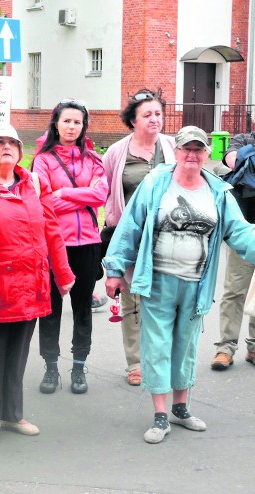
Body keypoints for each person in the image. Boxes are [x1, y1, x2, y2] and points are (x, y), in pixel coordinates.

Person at [103, 126, 255, 444]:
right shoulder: (156, 184)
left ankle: (181, 408)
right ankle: (160, 415)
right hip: (158, 280)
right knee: (157, 345)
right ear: (177, 152)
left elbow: (240, 233)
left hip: (196, 283)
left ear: (206, 155)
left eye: (199, 150)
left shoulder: (219, 192)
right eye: (187, 149)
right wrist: (115, 269)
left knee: (185, 346)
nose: (192, 155)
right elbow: (131, 225)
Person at [0, 124, 75, 445]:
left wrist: (62, 274)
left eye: (12, 142)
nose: (6, 147)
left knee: (17, 354)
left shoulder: (34, 183)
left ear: (21, 151)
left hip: (29, 285)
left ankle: (12, 413)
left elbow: (52, 231)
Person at [33, 99, 108, 394]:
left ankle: (79, 366)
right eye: (66, 121)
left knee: (82, 309)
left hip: (88, 243)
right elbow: (43, 200)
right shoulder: (43, 159)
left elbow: (101, 195)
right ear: (55, 123)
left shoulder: (94, 159)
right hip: (54, 243)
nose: (71, 127)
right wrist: (81, 194)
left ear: (83, 126)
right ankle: (51, 367)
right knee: (50, 309)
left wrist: (64, 191)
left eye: (77, 122)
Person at [102, 88, 176, 386]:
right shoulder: (118, 152)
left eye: (158, 113)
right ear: (132, 120)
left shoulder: (172, 146)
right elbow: (104, 188)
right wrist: (110, 218)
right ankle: (135, 363)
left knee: (162, 300)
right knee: (132, 299)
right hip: (130, 235)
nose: (154, 119)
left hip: (168, 236)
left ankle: (160, 358)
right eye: (147, 115)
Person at [210, 131, 255, 370]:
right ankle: (225, 348)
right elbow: (232, 159)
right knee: (235, 292)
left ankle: (254, 347)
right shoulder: (242, 140)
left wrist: (249, 158)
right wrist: (246, 155)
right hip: (242, 233)